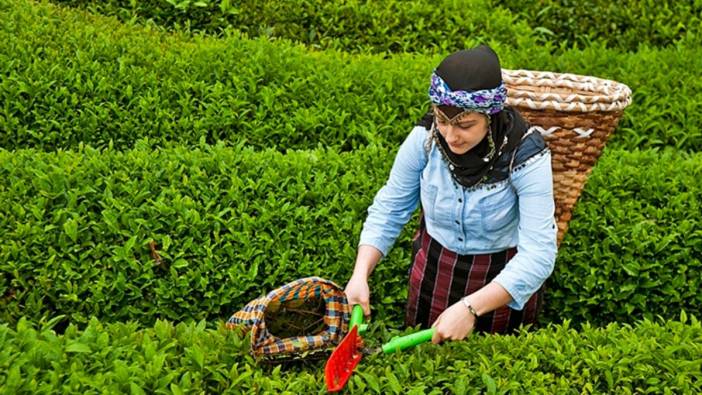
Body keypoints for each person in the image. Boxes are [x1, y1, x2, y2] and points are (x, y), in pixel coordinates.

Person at [344, 44, 558, 344]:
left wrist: (471, 308)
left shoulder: (525, 155)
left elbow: (539, 254)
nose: (450, 136)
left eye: (465, 125)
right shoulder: (424, 140)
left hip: (500, 279)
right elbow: (390, 209)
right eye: (442, 120)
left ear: (491, 116)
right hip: (435, 269)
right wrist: (360, 274)